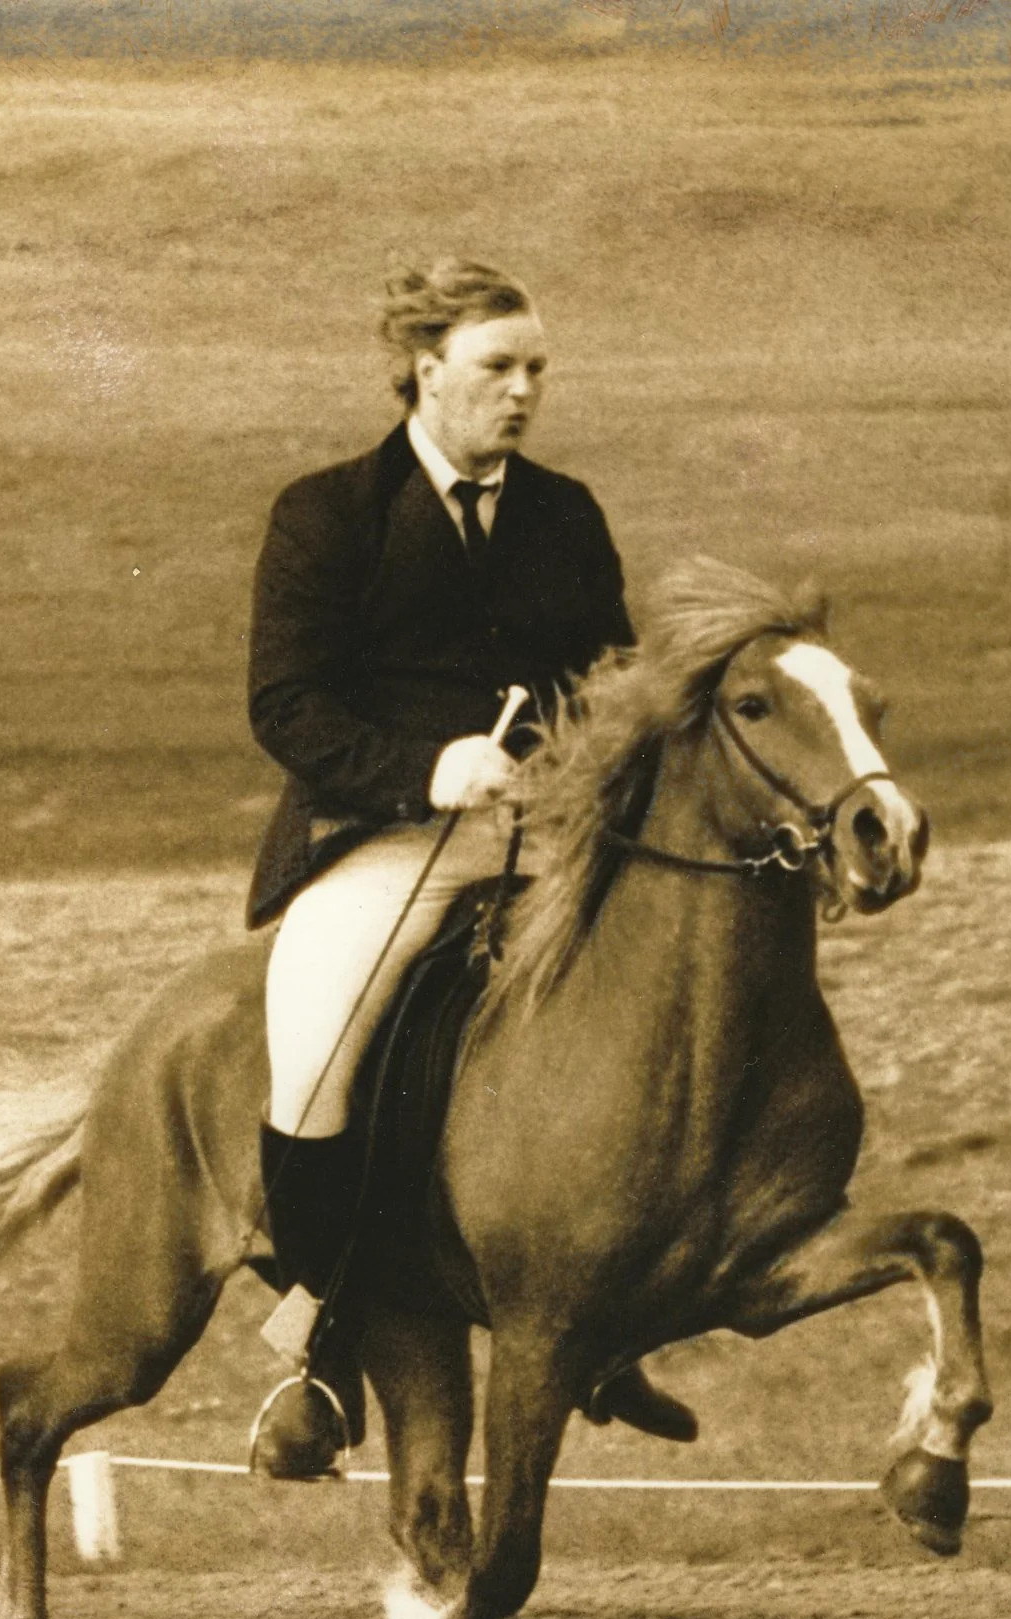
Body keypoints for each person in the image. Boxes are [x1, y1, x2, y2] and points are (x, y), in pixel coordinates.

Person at [243, 258, 695, 1477]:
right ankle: (319, 1341)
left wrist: (588, 764)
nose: (524, 391)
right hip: (387, 837)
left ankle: (614, 1323)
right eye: (499, 367)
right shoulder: (326, 513)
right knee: (321, 1043)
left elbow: (607, 678)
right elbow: (283, 703)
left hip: (547, 833)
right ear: (424, 370)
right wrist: (422, 770)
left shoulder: (566, 512)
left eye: (537, 368)